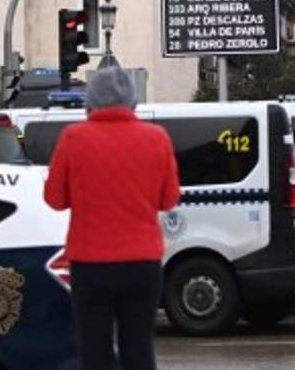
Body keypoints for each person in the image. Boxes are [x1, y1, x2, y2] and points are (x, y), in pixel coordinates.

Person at [44, 68, 180, 370]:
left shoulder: (73, 138)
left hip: (90, 264)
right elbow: (169, 199)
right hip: (142, 262)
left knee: (94, 351)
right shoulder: (156, 139)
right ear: (132, 102)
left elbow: (54, 199)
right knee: (139, 349)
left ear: (90, 102)